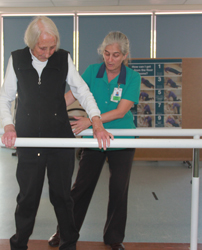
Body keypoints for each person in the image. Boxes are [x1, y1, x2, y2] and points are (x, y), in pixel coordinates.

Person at [0, 16, 112, 250]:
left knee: (62, 198)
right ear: (31, 43)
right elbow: (5, 97)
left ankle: (68, 244)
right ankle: (19, 245)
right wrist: (9, 125)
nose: (48, 52)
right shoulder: (17, 59)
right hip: (28, 141)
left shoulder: (63, 58)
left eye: (52, 47)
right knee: (27, 198)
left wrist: (97, 122)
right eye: (42, 47)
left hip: (60, 140)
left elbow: (82, 91)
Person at [48, 31, 141, 250]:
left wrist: (91, 121)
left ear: (125, 56)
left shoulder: (133, 77)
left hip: (122, 138)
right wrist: (49, 111)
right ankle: (64, 233)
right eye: (107, 54)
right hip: (93, 139)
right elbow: (71, 96)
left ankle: (114, 237)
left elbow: (120, 111)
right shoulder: (92, 71)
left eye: (116, 55)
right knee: (81, 187)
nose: (110, 59)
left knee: (119, 189)